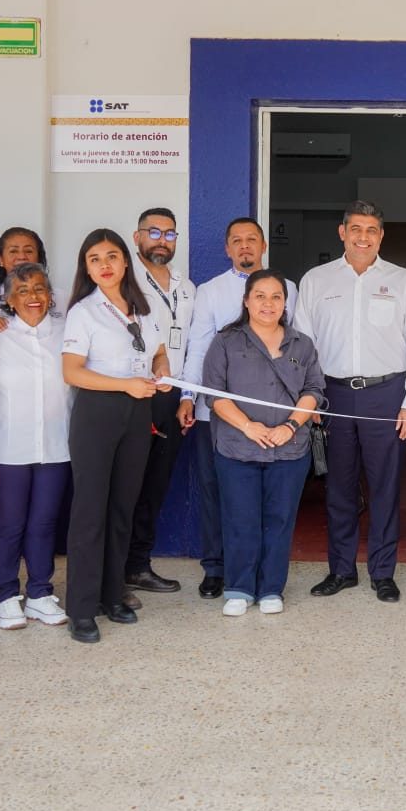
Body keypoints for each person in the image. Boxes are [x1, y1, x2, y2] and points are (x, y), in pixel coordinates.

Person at [294, 200, 406, 604]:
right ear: (342, 232)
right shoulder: (316, 281)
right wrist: (309, 399)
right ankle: (341, 569)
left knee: (385, 487)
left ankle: (383, 572)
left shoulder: (402, 281)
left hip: (386, 394)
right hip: (331, 394)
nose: (363, 237)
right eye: (356, 229)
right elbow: (303, 345)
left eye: (371, 230)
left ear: (381, 236)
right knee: (339, 486)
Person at [179, 216, 298, 599]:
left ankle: (262, 573)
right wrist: (187, 396)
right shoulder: (211, 291)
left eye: (252, 239)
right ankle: (217, 568)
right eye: (237, 240)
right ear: (227, 248)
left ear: (264, 245)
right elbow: (198, 345)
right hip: (217, 412)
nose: (245, 246)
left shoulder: (288, 288)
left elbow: (298, 345)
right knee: (217, 492)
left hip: (276, 414)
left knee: (269, 500)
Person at [62, 228, 170, 643]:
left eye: (111, 256)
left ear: (126, 261)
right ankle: (82, 608)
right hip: (98, 413)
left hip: (138, 413)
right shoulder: (84, 312)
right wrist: (126, 385)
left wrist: (161, 370)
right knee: (91, 511)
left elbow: (158, 351)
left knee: (123, 508)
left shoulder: (142, 308)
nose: (104, 265)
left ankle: (112, 596)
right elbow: (72, 372)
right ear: (87, 269)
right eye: (95, 259)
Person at [201, 269, 325, 616]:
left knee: (279, 520)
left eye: (276, 297)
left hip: (290, 448)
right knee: (240, 519)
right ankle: (239, 588)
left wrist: (290, 425)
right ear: (246, 301)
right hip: (237, 447)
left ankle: (271, 588)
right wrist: (248, 426)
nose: (268, 304)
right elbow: (214, 394)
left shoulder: (302, 344)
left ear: (285, 303)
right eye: (260, 296)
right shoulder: (226, 341)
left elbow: (314, 390)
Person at [0, 262, 71, 630]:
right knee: (9, 524)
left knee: (44, 522)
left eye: (39, 288)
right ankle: (6, 595)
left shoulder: (67, 333)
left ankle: (39, 593)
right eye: (22, 290)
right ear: (9, 299)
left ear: (49, 295)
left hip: (57, 445)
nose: (32, 296)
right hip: (9, 446)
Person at [124, 208, 195, 598]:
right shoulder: (123, 280)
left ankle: (138, 566)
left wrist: (188, 396)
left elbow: (194, 345)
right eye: (154, 232)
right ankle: (113, 570)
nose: (162, 240)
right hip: (135, 396)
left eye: (169, 234)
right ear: (137, 237)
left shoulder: (186, 286)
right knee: (126, 486)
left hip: (172, 399)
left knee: (154, 486)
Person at [0, 226, 57, 331]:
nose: (21, 257)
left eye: (28, 251)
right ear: (0, 259)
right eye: (13, 251)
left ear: (38, 258)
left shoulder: (62, 298)